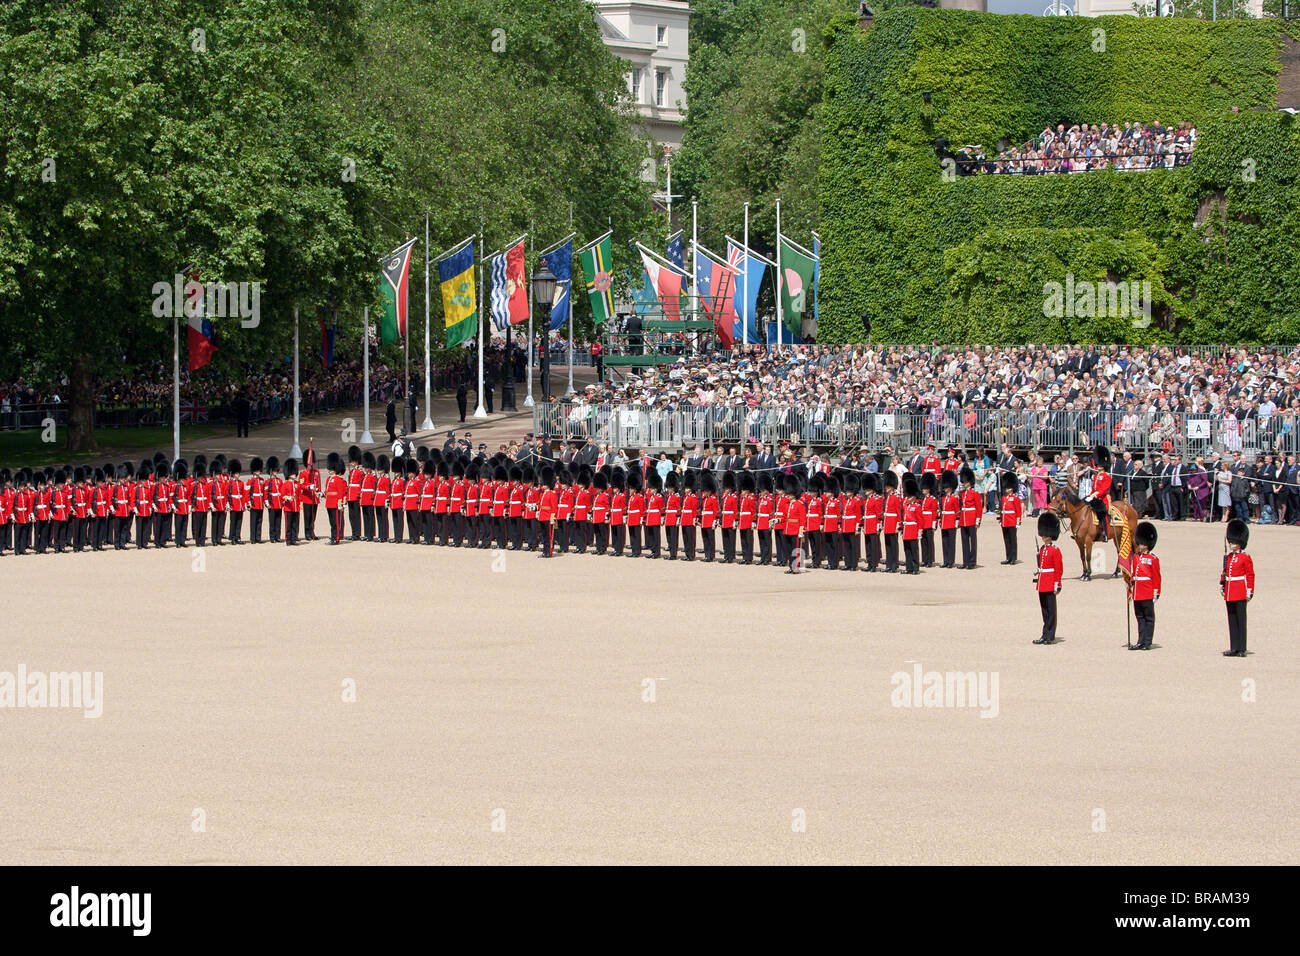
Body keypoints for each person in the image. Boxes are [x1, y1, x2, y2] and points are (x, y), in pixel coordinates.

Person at [1221, 518, 1254, 657]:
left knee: (1241, 620)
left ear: (1240, 543)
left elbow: (1250, 575)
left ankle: (1242, 648)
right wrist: (1223, 585)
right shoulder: (1228, 557)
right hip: (1229, 591)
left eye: (1233, 541)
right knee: (1232, 619)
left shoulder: (1245, 557)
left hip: (1240, 591)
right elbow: (1224, 573)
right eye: (1230, 541)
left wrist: (1249, 591)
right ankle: (1234, 647)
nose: (1231, 544)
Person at [1033, 511, 1063, 645]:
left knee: (1051, 611)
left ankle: (1050, 635)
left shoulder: (1055, 550)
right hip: (1042, 582)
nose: (1043, 537)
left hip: (1050, 582)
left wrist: (1057, 584)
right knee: (1044, 610)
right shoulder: (1043, 550)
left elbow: (1058, 570)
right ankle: (1045, 634)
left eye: (1045, 535)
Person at [1130, 521, 1160, 650]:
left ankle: (1148, 642)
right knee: (1140, 618)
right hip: (1137, 591)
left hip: (1147, 591)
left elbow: (1156, 577)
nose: (1140, 545)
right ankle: (1140, 641)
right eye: (1139, 543)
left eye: (1142, 543)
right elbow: (1133, 575)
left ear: (1147, 545)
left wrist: (1156, 592)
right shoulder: (1136, 557)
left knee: (1148, 618)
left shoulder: (1153, 559)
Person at [958, 466, 980, 569]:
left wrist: (977, 521)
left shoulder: (974, 493)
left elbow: (978, 508)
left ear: (970, 482)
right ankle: (965, 561)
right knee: (964, 541)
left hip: (971, 519)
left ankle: (972, 562)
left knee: (973, 542)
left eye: (966, 482)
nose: (964, 483)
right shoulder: (962, 493)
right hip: (964, 519)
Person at [999, 470, 1022, 565]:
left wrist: (1018, 522)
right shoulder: (1004, 498)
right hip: (1005, 521)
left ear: (1012, 488)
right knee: (1006, 539)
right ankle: (1008, 557)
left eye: (1008, 488)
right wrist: (1001, 519)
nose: (1006, 489)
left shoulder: (1015, 498)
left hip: (1012, 521)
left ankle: (1013, 557)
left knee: (1012, 539)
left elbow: (1018, 511)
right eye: (1006, 488)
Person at [324, 452, 347, 544]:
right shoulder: (328, 479)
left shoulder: (338, 479)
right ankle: (333, 536)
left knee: (336, 522)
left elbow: (340, 492)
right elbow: (327, 490)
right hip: (329, 502)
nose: (329, 470)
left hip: (335, 503)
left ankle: (336, 538)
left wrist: (340, 502)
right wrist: (323, 494)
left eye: (331, 468)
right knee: (332, 522)